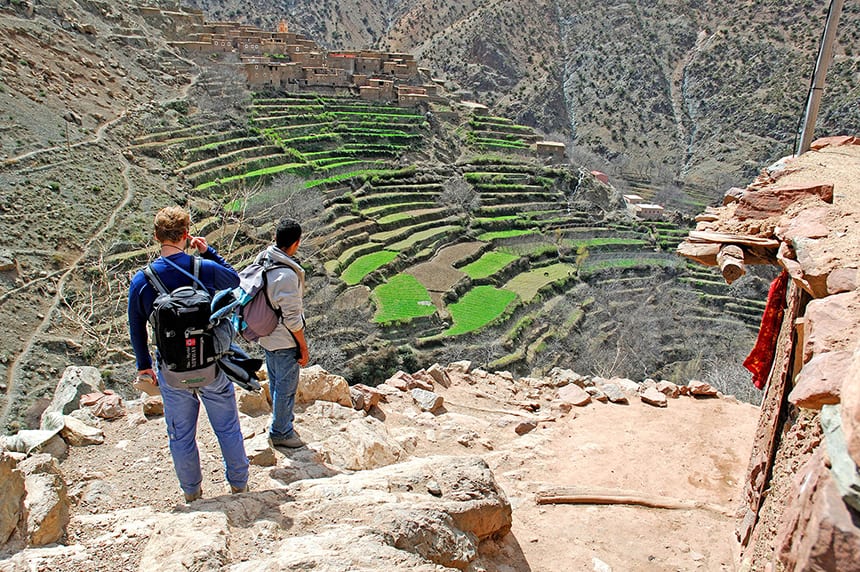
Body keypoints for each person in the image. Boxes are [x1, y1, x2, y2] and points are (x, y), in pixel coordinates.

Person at [127, 206, 249, 502]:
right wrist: (209, 252)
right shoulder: (202, 268)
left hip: (171, 369)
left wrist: (145, 367)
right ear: (186, 234)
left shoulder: (142, 281)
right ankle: (239, 486)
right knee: (227, 426)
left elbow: (136, 328)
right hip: (210, 364)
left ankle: (192, 494)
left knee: (181, 435)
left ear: (156, 236)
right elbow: (234, 281)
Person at [254, 218, 309, 448]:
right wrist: (303, 347)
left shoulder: (263, 259)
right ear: (296, 243)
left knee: (277, 383)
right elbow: (292, 320)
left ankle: (281, 422)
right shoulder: (286, 276)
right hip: (283, 338)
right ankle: (281, 432)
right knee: (286, 388)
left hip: (265, 334)